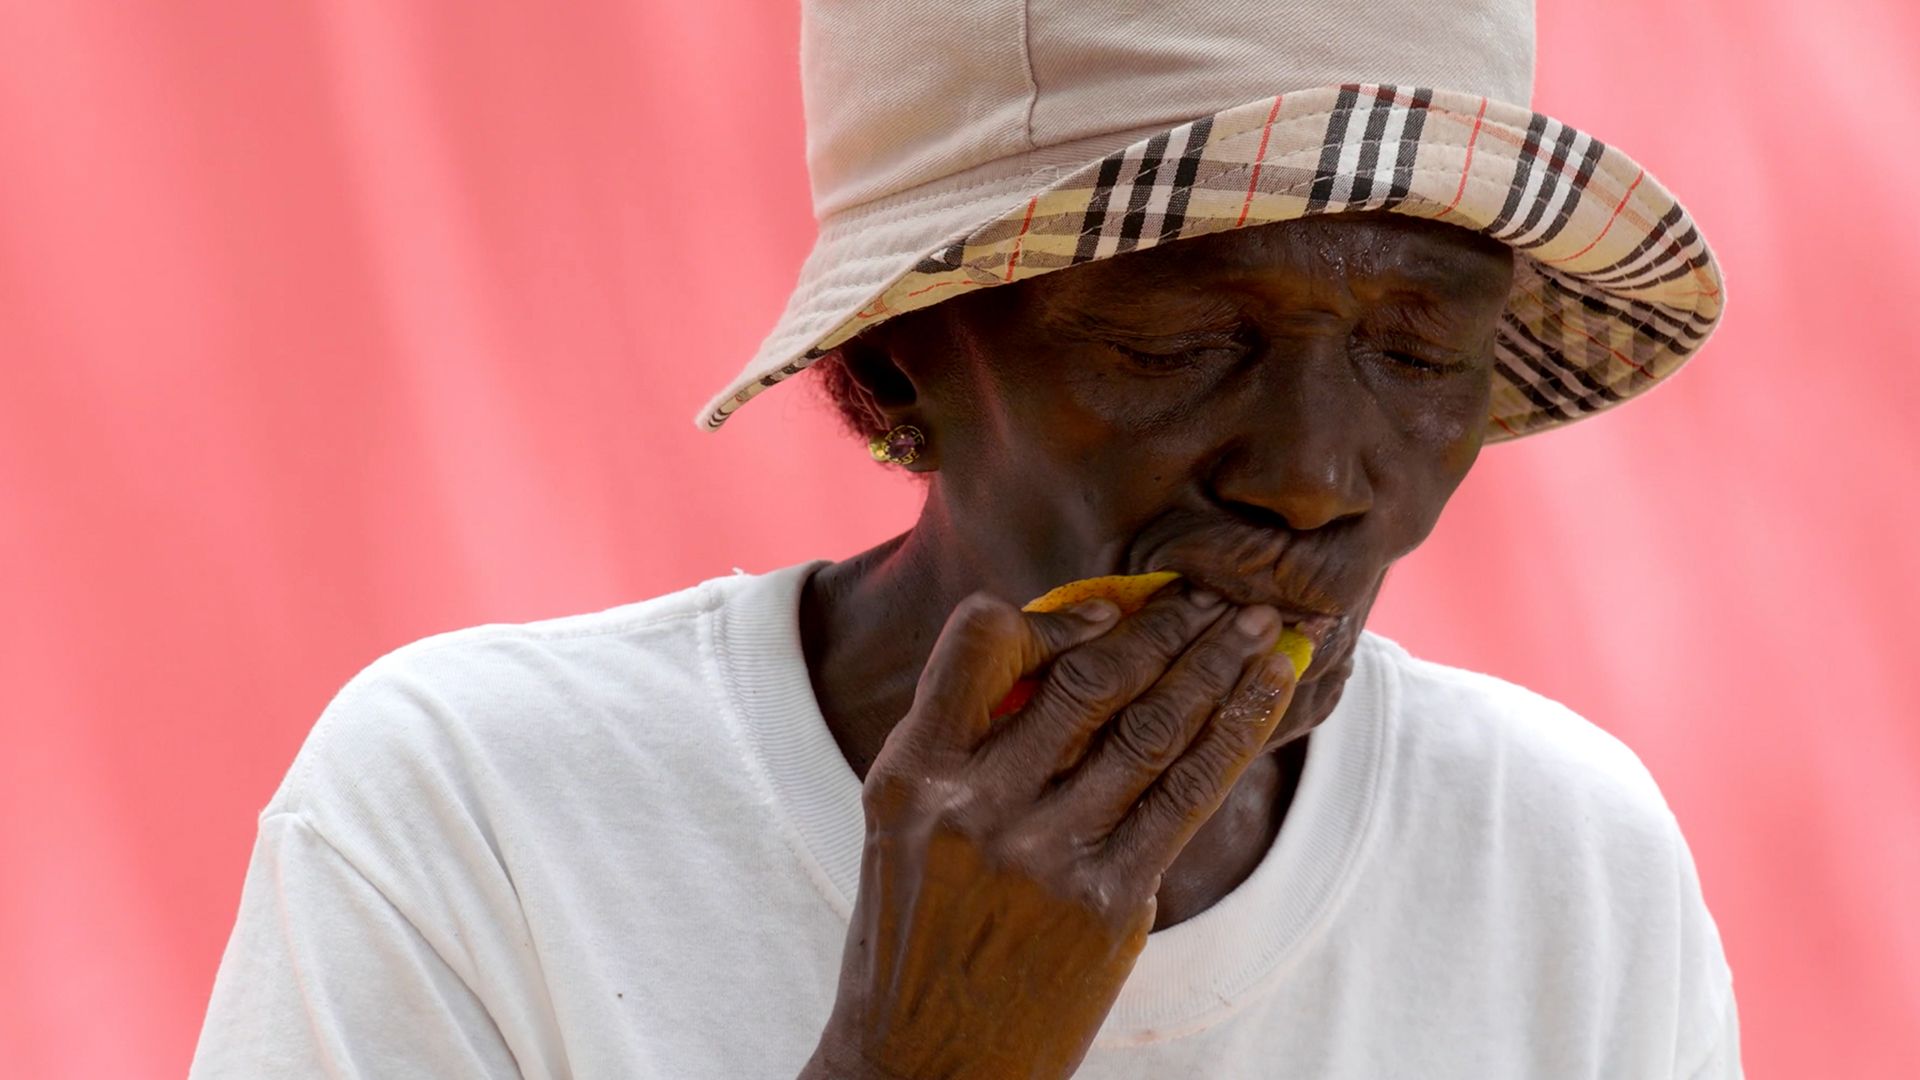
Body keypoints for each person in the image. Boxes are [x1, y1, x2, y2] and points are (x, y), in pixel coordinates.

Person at [191, 0, 1740, 1077]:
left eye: (1416, 357)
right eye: (1184, 340)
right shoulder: (480, 813)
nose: (1321, 477)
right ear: (907, 353)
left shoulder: (1563, 864)